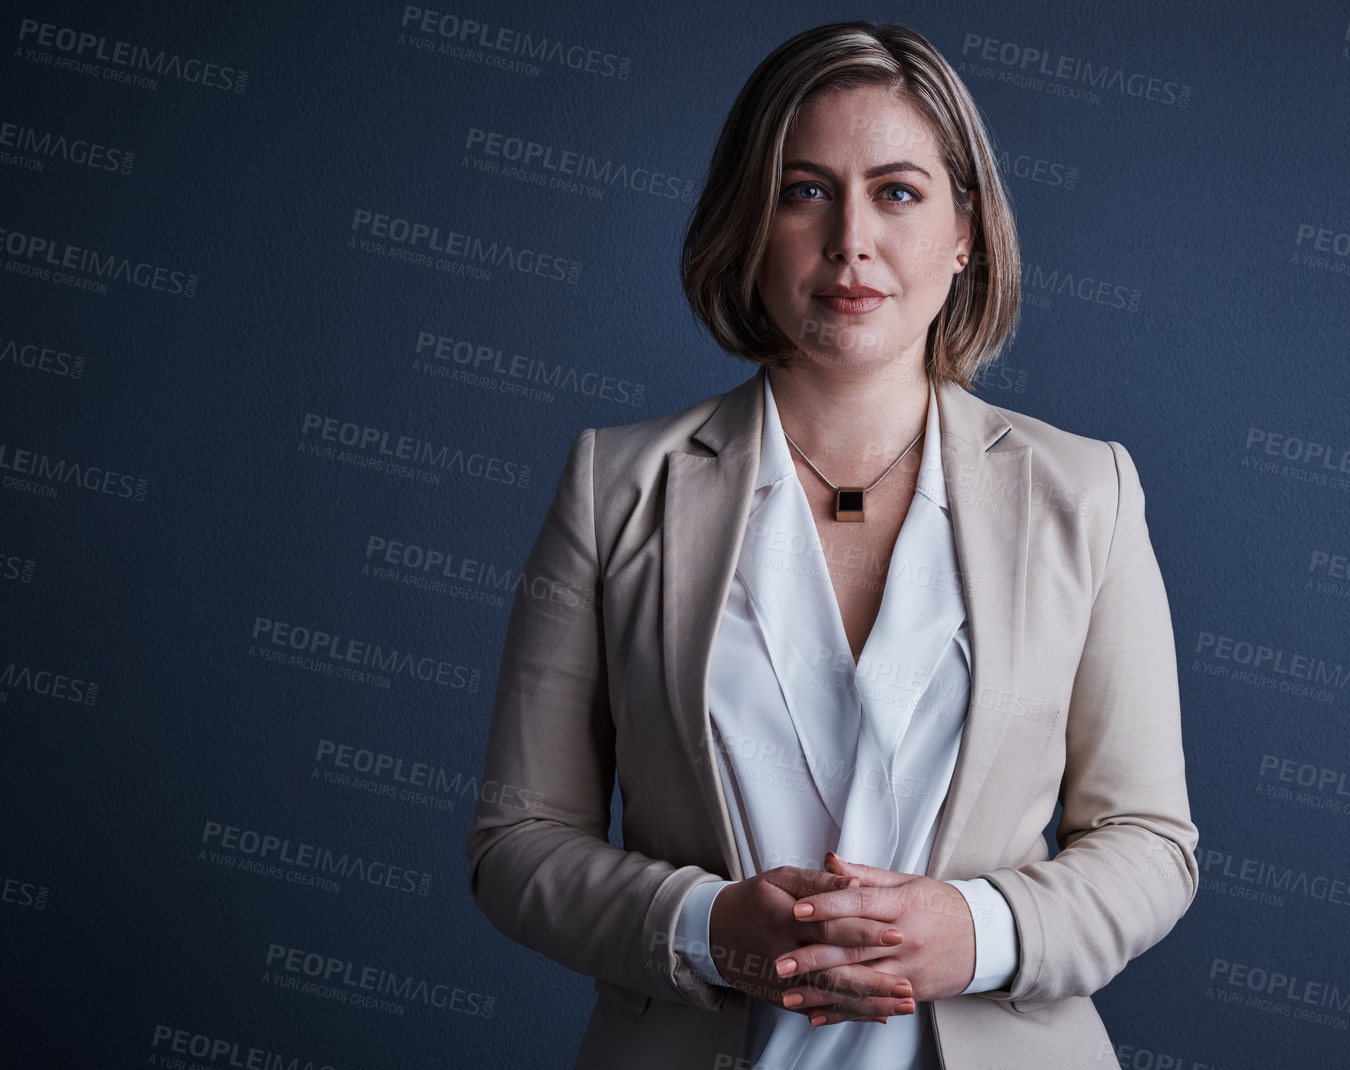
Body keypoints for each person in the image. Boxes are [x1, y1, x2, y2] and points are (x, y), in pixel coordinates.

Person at [464, 20, 1198, 1069]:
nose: (850, 238)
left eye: (896, 191)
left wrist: (982, 929)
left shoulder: (1087, 492)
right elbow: (515, 838)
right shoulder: (612, 486)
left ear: (965, 231)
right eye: (803, 190)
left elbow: (1150, 844)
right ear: (745, 226)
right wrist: (704, 926)